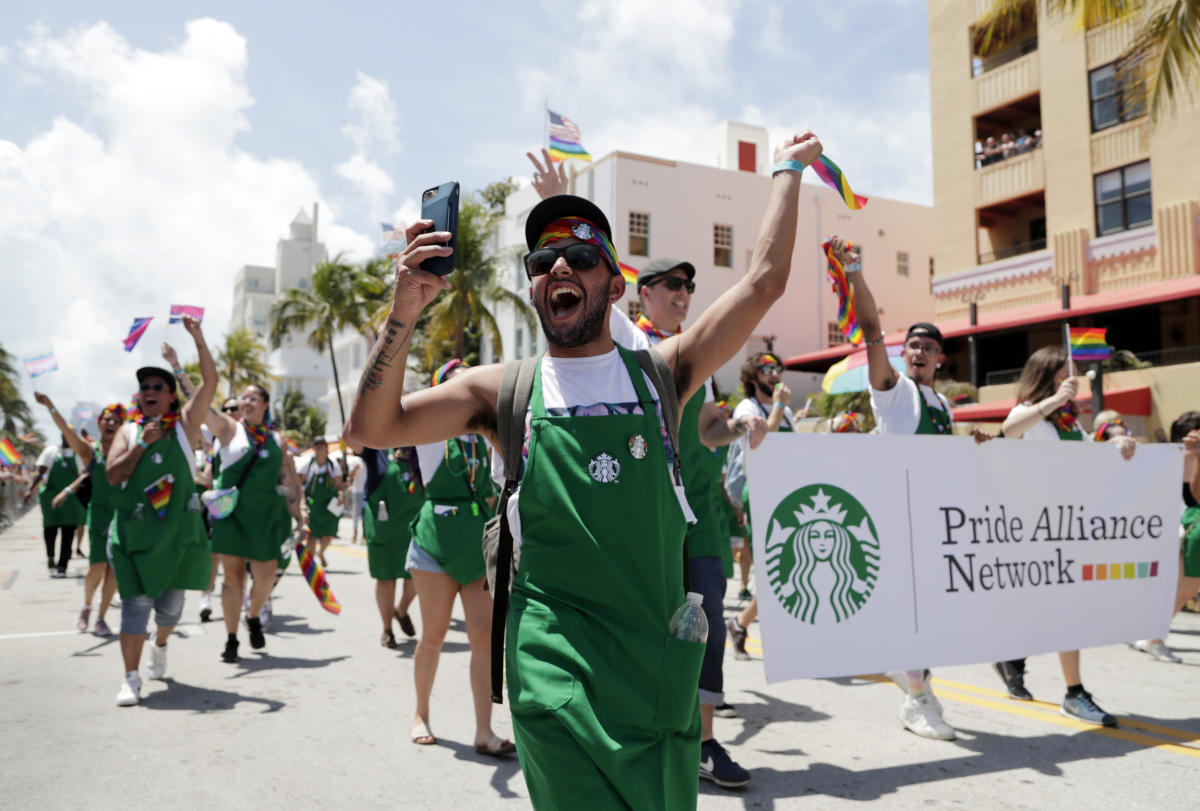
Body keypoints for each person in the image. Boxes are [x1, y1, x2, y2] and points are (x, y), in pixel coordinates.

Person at [346, 128, 822, 810]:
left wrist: (784, 170)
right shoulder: (501, 392)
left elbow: (764, 281)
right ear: (534, 285)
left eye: (581, 255)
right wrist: (403, 315)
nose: (560, 266)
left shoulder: (664, 373)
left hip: (654, 674)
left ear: (615, 282)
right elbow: (372, 427)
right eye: (545, 258)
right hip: (552, 675)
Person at [527, 146, 768, 787]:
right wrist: (560, 197)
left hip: (700, 521)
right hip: (642, 525)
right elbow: (565, 290)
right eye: (674, 285)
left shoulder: (694, 360)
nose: (685, 295)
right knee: (651, 635)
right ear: (639, 292)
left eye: (690, 286)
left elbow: (709, 431)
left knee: (705, 624)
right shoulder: (628, 344)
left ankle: (704, 742)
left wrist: (740, 425)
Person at [837, 235, 992, 741]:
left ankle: (917, 685)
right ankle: (915, 696)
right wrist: (855, 270)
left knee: (934, 613)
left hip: (934, 518)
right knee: (916, 613)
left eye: (929, 347)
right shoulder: (894, 392)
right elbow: (873, 329)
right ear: (904, 355)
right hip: (897, 516)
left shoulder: (944, 407)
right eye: (914, 346)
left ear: (941, 359)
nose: (920, 352)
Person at [991, 345, 1136, 727]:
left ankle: (1017, 656)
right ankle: (1071, 691)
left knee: (1060, 608)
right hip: (1035, 531)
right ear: (1047, 376)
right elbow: (1009, 428)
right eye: (1064, 373)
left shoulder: (1069, 425)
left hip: (1069, 529)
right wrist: (1053, 401)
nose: (1073, 379)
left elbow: (1093, 458)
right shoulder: (1032, 416)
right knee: (1061, 609)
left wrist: (1118, 445)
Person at [394, 359, 510, 754]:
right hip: (435, 543)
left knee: (483, 637)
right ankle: (420, 714)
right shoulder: (429, 429)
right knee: (434, 635)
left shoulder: (488, 432)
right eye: (461, 384)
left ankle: (484, 730)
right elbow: (397, 401)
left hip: (478, 544)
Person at [104, 315, 216, 705]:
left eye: (157, 386)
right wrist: (140, 446)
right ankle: (130, 679)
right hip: (132, 539)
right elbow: (112, 476)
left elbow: (210, 383)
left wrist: (197, 337)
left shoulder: (185, 428)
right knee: (134, 607)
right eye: (143, 387)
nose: (148, 391)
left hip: (175, 541)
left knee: (169, 610)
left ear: (171, 396)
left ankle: (161, 644)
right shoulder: (128, 431)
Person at [208, 384, 306, 662]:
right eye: (243, 397)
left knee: (266, 577)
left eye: (253, 397)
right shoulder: (229, 429)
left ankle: (252, 616)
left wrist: (299, 512)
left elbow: (288, 477)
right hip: (233, 515)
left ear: (265, 404)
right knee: (233, 580)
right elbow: (202, 408)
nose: (246, 402)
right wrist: (180, 370)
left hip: (267, 516)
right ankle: (231, 639)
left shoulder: (277, 440)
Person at [726, 352, 796, 663]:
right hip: (760, 492)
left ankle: (740, 623)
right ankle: (741, 623)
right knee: (776, 568)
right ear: (753, 378)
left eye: (778, 369)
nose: (775, 374)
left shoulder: (787, 412)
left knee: (789, 566)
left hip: (788, 493)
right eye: (768, 369)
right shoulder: (747, 409)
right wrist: (779, 407)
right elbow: (763, 443)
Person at [1130, 411, 1200, 662]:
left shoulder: (1182, 456)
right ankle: (1151, 636)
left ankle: (1149, 634)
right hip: (1181, 528)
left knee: (1180, 587)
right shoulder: (1182, 455)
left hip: (1179, 528)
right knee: (1183, 588)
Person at [353, 442, 424, 647]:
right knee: (386, 579)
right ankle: (387, 630)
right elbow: (353, 439)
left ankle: (401, 611)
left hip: (413, 525)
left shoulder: (421, 447)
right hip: (383, 527)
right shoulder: (377, 448)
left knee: (417, 576)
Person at [24, 422, 86, 578]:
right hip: (51, 498)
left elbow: (84, 475)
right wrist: (29, 490)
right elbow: (40, 473)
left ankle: (62, 566)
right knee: (50, 531)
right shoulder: (51, 451)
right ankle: (50, 557)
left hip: (71, 500)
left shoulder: (79, 453)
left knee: (68, 533)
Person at [198, 396, 240, 622]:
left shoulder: (252, 437)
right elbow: (207, 474)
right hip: (219, 506)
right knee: (213, 556)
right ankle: (206, 597)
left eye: (235, 408)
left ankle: (242, 599)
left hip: (244, 504)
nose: (231, 412)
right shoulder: (214, 441)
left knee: (240, 557)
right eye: (227, 409)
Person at [297, 437, 348, 567]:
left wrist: (341, 496)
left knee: (329, 534)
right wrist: (302, 505)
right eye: (317, 445)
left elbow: (339, 486)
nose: (320, 448)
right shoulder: (307, 466)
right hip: (312, 506)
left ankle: (321, 552)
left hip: (329, 507)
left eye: (322, 445)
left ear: (326, 448)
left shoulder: (333, 466)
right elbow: (299, 486)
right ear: (313, 448)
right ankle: (311, 563)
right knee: (312, 536)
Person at [346, 449, 367, 543]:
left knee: (365, 515)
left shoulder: (367, 460)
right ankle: (354, 534)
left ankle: (364, 536)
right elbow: (350, 476)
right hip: (357, 491)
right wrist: (355, 469)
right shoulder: (355, 461)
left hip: (366, 492)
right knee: (356, 514)